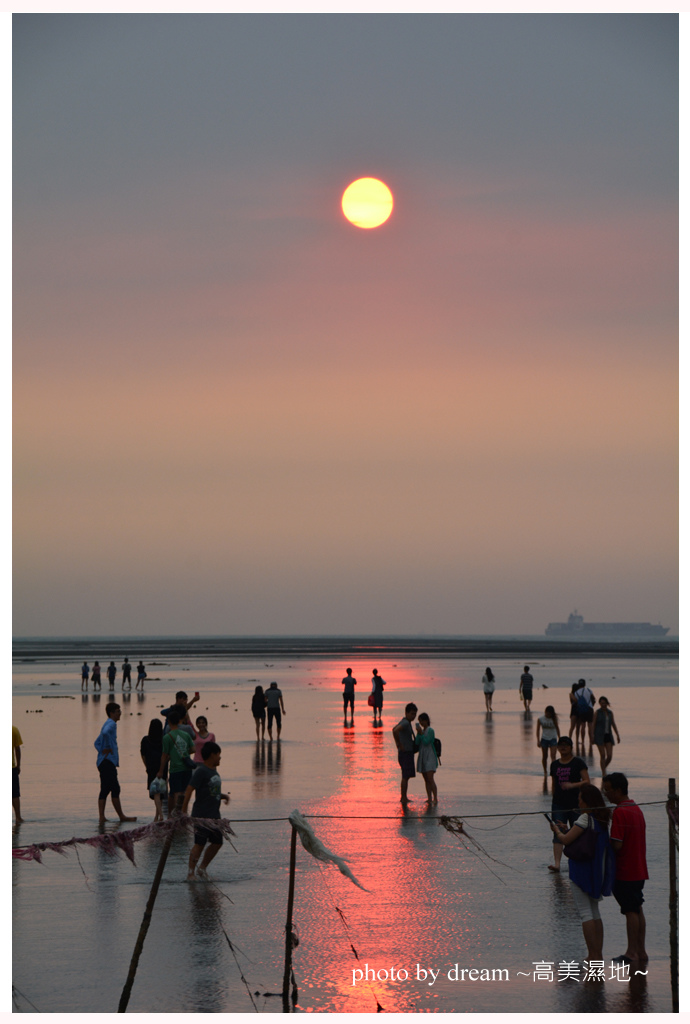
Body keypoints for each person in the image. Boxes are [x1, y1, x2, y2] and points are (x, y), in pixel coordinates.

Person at [550, 784, 614, 963]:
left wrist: (556, 830)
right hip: (597, 869)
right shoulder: (601, 818)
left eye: (580, 800)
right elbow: (578, 833)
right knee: (595, 911)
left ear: (588, 802)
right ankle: (598, 954)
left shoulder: (585, 818)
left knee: (585, 913)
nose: (578, 803)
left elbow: (565, 840)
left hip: (582, 870)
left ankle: (592, 954)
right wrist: (566, 827)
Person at [603, 772, 649, 965]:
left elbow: (618, 844)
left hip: (626, 870)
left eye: (608, 791)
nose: (606, 795)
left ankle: (632, 953)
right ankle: (641, 951)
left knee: (630, 911)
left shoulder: (620, 812)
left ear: (618, 790)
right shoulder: (636, 808)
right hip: (639, 868)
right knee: (637, 908)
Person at [181, 741, 230, 881]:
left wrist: (222, 796)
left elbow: (210, 791)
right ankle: (190, 873)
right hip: (201, 815)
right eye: (218, 755)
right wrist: (184, 811)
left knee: (217, 842)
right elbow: (189, 790)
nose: (220, 758)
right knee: (200, 843)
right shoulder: (201, 771)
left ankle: (202, 868)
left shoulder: (214, 771)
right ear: (212, 755)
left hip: (214, 816)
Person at [548, 736, 590, 872]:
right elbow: (554, 784)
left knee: (576, 830)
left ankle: (578, 860)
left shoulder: (578, 763)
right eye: (560, 745)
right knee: (557, 831)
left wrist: (573, 785)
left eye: (566, 745)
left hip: (576, 803)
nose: (563, 748)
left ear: (571, 747)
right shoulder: (554, 764)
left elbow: (586, 781)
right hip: (558, 803)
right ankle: (557, 864)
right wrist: (553, 798)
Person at [94, 703, 137, 825]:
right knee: (115, 788)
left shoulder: (107, 723)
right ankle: (122, 816)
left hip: (103, 761)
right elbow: (106, 734)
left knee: (105, 789)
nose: (120, 713)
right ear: (112, 713)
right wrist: (108, 749)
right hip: (107, 762)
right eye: (118, 711)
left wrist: (103, 751)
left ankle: (102, 817)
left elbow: (96, 743)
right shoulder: (111, 724)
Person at [157, 710, 195, 816]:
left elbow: (164, 756)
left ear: (168, 721)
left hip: (175, 768)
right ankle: (184, 812)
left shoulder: (167, 737)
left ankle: (177, 814)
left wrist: (160, 771)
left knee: (176, 792)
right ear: (179, 721)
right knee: (184, 792)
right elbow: (193, 749)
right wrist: (184, 752)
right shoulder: (186, 734)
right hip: (187, 768)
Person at [140, 719, 167, 821]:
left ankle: (160, 816)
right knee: (160, 793)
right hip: (162, 767)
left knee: (155, 792)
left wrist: (146, 766)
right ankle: (157, 815)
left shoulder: (145, 740)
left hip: (151, 767)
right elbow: (166, 754)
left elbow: (143, 754)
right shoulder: (164, 739)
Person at [392, 703, 418, 805]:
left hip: (406, 752)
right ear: (406, 713)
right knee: (405, 776)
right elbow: (395, 731)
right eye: (412, 714)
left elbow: (394, 729)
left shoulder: (405, 722)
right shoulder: (406, 723)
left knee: (406, 776)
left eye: (415, 714)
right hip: (405, 752)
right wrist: (399, 744)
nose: (413, 716)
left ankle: (404, 797)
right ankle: (403, 797)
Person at [593, 696, 620, 776]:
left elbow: (613, 724)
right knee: (602, 755)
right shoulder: (597, 712)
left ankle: (603, 768)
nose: (603, 705)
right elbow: (593, 724)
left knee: (609, 755)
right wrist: (592, 735)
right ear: (600, 704)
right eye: (601, 703)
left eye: (604, 703)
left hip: (608, 735)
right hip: (599, 735)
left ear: (607, 703)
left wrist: (617, 735)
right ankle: (604, 773)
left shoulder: (610, 713)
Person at [415, 712, 439, 804]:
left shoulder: (430, 731)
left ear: (426, 721)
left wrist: (421, 734)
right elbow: (417, 742)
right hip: (423, 756)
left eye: (421, 721)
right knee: (426, 779)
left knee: (430, 778)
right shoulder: (422, 731)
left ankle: (435, 798)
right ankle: (429, 797)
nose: (420, 723)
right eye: (419, 721)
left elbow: (426, 742)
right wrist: (418, 733)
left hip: (430, 756)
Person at [536, 706, 561, 775]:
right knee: (545, 756)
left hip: (553, 738)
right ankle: (545, 771)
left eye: (549, 714)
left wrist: (560, 738)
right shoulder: (540, 719)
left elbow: (557, 729)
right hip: (544, 739)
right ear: (545, 712)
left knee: (553, 756)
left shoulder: (554, 719)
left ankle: (553, 770)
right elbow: (538, 730)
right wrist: (538, 740)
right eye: (547, 713)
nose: (548, 715)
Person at [573, 679, 596, 750]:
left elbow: (576, 702)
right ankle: (591, 740)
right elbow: (593, 698)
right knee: (590, 725)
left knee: (583, 725)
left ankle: (582, 741)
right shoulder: (589, 690)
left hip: (582, 710)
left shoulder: (576, 693)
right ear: (585, 684)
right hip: (590, 708)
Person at [12, 725, 24, 825]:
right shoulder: (13, 729)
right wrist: (18, 765)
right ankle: (18, 817)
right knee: (14, 793)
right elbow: (17, 749)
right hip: (11, 767)